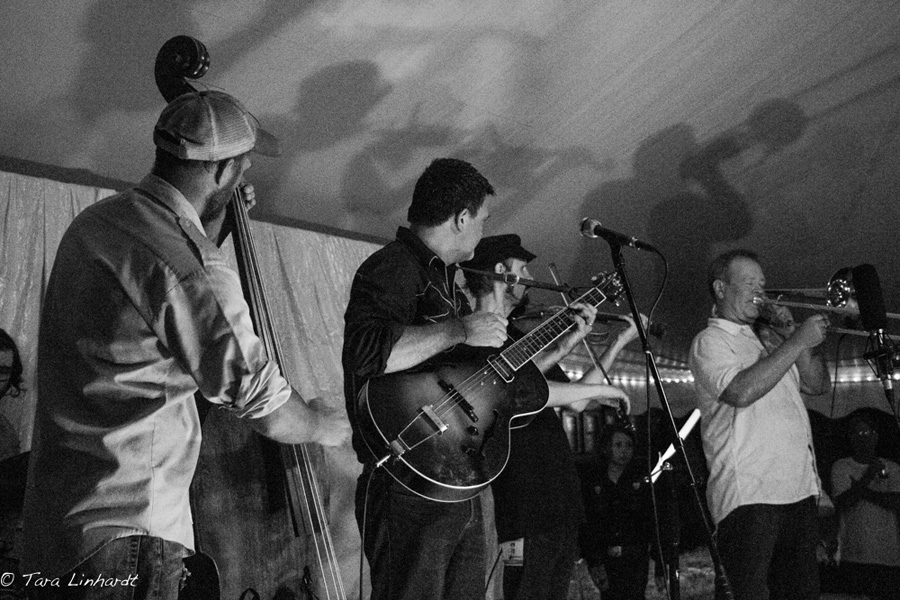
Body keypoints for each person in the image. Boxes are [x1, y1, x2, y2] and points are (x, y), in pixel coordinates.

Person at [20, 90, 349, 599]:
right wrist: (322, 425)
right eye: (242, 165)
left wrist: (210, 229)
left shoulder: (95, 225)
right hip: (131, 532)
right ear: (223, 171)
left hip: (56, 531)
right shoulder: (193, 269)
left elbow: (155, 318)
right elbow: (264, 404)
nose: (244, 174)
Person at [342, 158, 505, 600]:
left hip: (451, 480)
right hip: (406, 488)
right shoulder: (394, 267)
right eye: (484, 219)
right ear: (462, 218)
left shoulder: (444, 279)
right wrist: (460, 330)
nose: (483, 231)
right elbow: (366, 352)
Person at [459, 234, 637, 600]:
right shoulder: (474, 337)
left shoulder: (515, 340)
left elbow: (575, 402)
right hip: (525, 507)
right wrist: (607, 391)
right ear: (501, 272)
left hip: (559, 503)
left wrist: (613, 342)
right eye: (523, 269)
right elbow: (527, 393)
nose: (529, 277)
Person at [688, 248, 830, 600]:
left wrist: (791, 334)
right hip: (750, 494)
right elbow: (740, 391)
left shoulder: (769, 339)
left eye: (762, 284)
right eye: (750, 282)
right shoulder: (710, 341)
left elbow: (817, 384)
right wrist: (797, 341)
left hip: (798, 489)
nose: (760, 291)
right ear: (721, 288)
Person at [579, 424, 656, 600]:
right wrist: (593, 559)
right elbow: (588, 522)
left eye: (629, 445)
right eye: (618, 445)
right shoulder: (594, 481)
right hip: (605, 555)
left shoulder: (638, 481)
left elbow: (648, 519)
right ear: (606, 447)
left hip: (634, 555)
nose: (624, 451)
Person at [830, 413, 900, 599]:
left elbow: (895, 502)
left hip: (888, 555)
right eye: (857, 433)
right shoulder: (842, 467)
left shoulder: (892, 468)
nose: (863, 438)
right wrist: (869, 475)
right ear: (850, 437)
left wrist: (861, 490)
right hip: (854, 553)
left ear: (876, 436)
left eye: (866, 432)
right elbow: (844, 502)